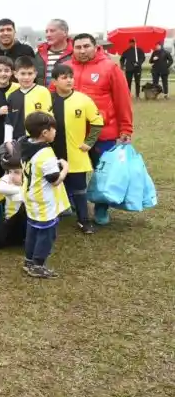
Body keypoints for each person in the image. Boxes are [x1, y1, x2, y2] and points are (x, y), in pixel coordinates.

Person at [70, 33, 133, 226]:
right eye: (78, 47)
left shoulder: (110, 67)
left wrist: (126, 128)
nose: (82, 51)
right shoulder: (66, 68)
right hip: (75, 132)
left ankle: (101, 207)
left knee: (102, 172)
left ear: (95, 46)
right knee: (74, 170)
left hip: (103, 132)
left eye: (86, 46)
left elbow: (123, 99)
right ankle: (75, 204)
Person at [51, 64, 103, 234]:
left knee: (80, 189)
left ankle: (84, 220)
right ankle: (52, 218)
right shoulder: (47, 99)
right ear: (54, 81)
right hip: (51, 155)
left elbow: (97, 122)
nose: (69, 80)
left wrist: (89, 142)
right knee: (51, 187)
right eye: (64, 77)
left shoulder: (83, 99)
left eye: (71, 77)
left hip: (76, 154)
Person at [20, 112, 69, 279]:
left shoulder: (24, 143)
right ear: (45, 133)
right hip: (43, 199)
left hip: (30, 194)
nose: (56, 132)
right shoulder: (46, 153)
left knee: (32, 229)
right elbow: (54, 180)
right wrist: (65, 168)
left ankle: (29, 260)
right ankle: (38, 265)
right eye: (54, 129)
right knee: (46, 233)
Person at [6, 57, 53, 141]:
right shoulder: (12, 96)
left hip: (39, 141)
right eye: (23, 73)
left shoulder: (43, 91)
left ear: (35, 74)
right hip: (18, 142)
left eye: (30, 73)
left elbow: (49, 119)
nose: (26, 77)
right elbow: (9, 122)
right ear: (15, 74)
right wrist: (7, 141)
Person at [36, 19, 73, 88]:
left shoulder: (76, 53)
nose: (48, 35)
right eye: (46, 31)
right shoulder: (39, 53)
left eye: (52, 31)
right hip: (42, 96)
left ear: (65, 32)